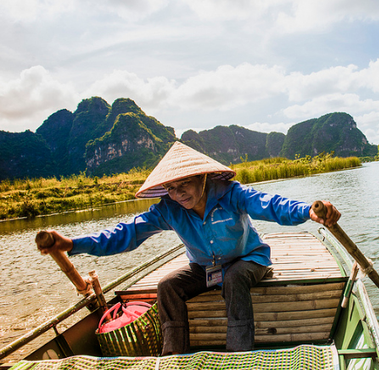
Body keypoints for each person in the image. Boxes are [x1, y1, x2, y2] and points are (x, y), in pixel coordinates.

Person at [38, 141, 341, 355]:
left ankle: (238, 354)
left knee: (235, 276)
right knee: (167, 285)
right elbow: (125, 234)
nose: (177, 193)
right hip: (205, 268)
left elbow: (270, 205)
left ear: (203, 177)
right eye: (170, 187)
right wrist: (73, 244)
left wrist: (309, 212)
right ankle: (175, 356)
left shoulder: (231, 195)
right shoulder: (168, 210)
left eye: (184, 183)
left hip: (249, 259)